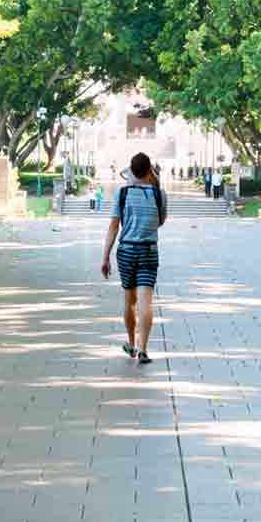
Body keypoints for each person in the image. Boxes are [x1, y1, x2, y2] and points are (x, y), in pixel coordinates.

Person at [101, 153, 166, 364]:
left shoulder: (122, 193)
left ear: (131, 170)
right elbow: (160, 222)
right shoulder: (159, 195)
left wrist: (105, 257)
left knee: (130, 301)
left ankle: (131, 343)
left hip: (126, 250)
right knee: (146, 302)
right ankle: (143, 349)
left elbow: (113, 226)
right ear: (150, 170)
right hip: (148, 250)